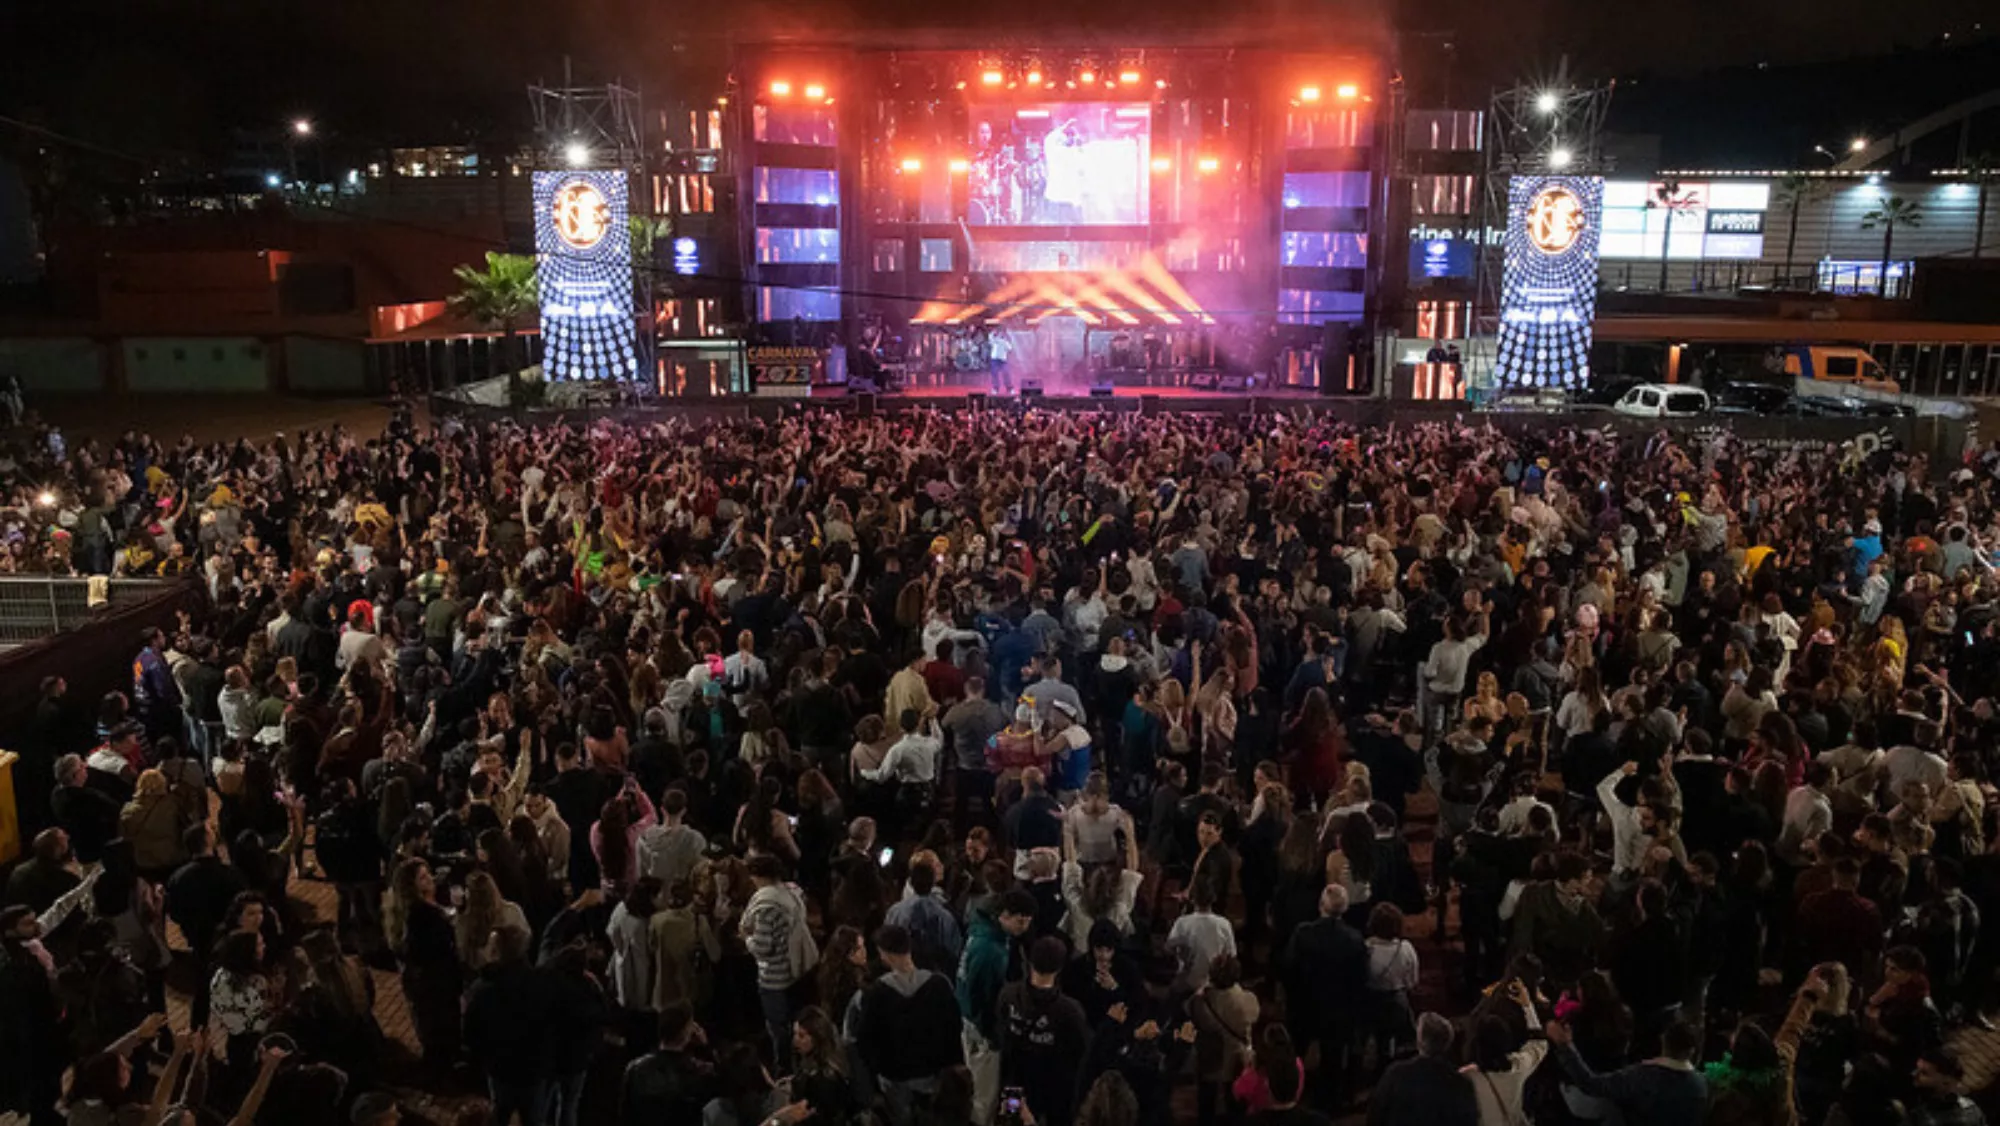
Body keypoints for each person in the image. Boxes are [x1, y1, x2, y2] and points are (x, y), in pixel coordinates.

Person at [858, 923, 965, 1126]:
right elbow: (954, 1029)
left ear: (885, 954)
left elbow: (865, 1040)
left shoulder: (877, 993)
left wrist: (878, 1068)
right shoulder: (939, 985)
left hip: (894, 1077)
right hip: (933, 1074)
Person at [464, 925, 558, 1126]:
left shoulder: (482, 990)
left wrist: (484, 1058)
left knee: (500, 1115)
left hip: (501, 1070)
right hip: (534, 1070)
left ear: (496, 952)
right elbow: (555, 1023)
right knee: (535, 1119)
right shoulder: (543, 983)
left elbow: (471, 1034)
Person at [960, 889, 1038, 1125]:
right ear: (1004, 915)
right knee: (984, 1092)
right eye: (1020, 921)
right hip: (982, 1031)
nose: (1024, 927)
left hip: (971, 1021)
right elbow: (981, 998)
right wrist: (992, 1036)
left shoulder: (983, 931)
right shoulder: (991, 951)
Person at [1546, 1016, 1709, 1126]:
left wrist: (1565, 1046)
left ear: (1663, 1039)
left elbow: (1591, 1084)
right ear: (1692, 1051)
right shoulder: (1701, 1086)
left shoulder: (1643, 1077)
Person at [997, 936, 1090, 1126]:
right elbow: (1081, 1052)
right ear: (1060, 968)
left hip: (1015, 1082)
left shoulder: (1008, 995)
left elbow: (1000, 1031)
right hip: (1055, 1089)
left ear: (1030, 961)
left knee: (1012, 1120)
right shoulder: (1070, 1011)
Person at [742, 854, 819, 1069]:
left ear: (758, 876)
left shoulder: (766, 905)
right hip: (797, 971)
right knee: (797, 1024)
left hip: (774, 979)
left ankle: (783, 1069)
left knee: (779, 1031)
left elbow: (763, 948)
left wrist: (747, 938)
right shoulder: (792, 893)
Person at [1367, 1013, 1477, 1126]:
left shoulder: (1395, 1074)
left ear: (1419, 1040)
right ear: (1448, 1043)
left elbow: (1375, 1117)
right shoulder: (1460, 1084)